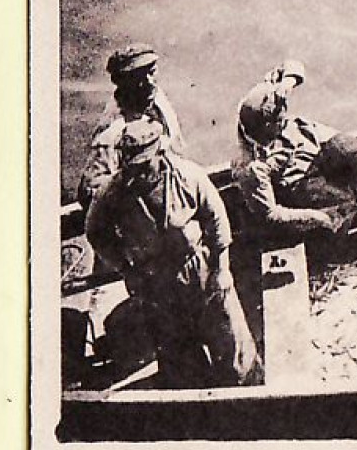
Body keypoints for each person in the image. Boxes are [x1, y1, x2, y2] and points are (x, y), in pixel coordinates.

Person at [84, 119, 259, 388]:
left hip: (200, 269)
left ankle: (247, 393)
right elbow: (96, 232)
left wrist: (222, 269)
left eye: (144, 166)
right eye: (132, 167)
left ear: (160, 153)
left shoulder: (189, 176)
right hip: (155, 282)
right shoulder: (114, 192)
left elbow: (216, 220)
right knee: (179, 358)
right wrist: (126, 268)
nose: (137, 175)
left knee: (232, 347)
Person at [232, 62, 357, 238]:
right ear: (265, 128)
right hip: (295, 179)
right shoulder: (251, 168)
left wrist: (287, 82)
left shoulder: (265, 94)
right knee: (342, 202)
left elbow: (292, 65)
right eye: (280, 123)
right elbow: (270, 215)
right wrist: (316, 217)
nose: (285, 121)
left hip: (314, 142)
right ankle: (346, 241)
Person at [77, 43, 186, 207]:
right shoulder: (113, 130)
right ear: (123, 84)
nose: (149, 82)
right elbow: (89, 190)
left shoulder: (153, 97)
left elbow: (177, 149)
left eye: (151, 72)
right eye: (138, 78)